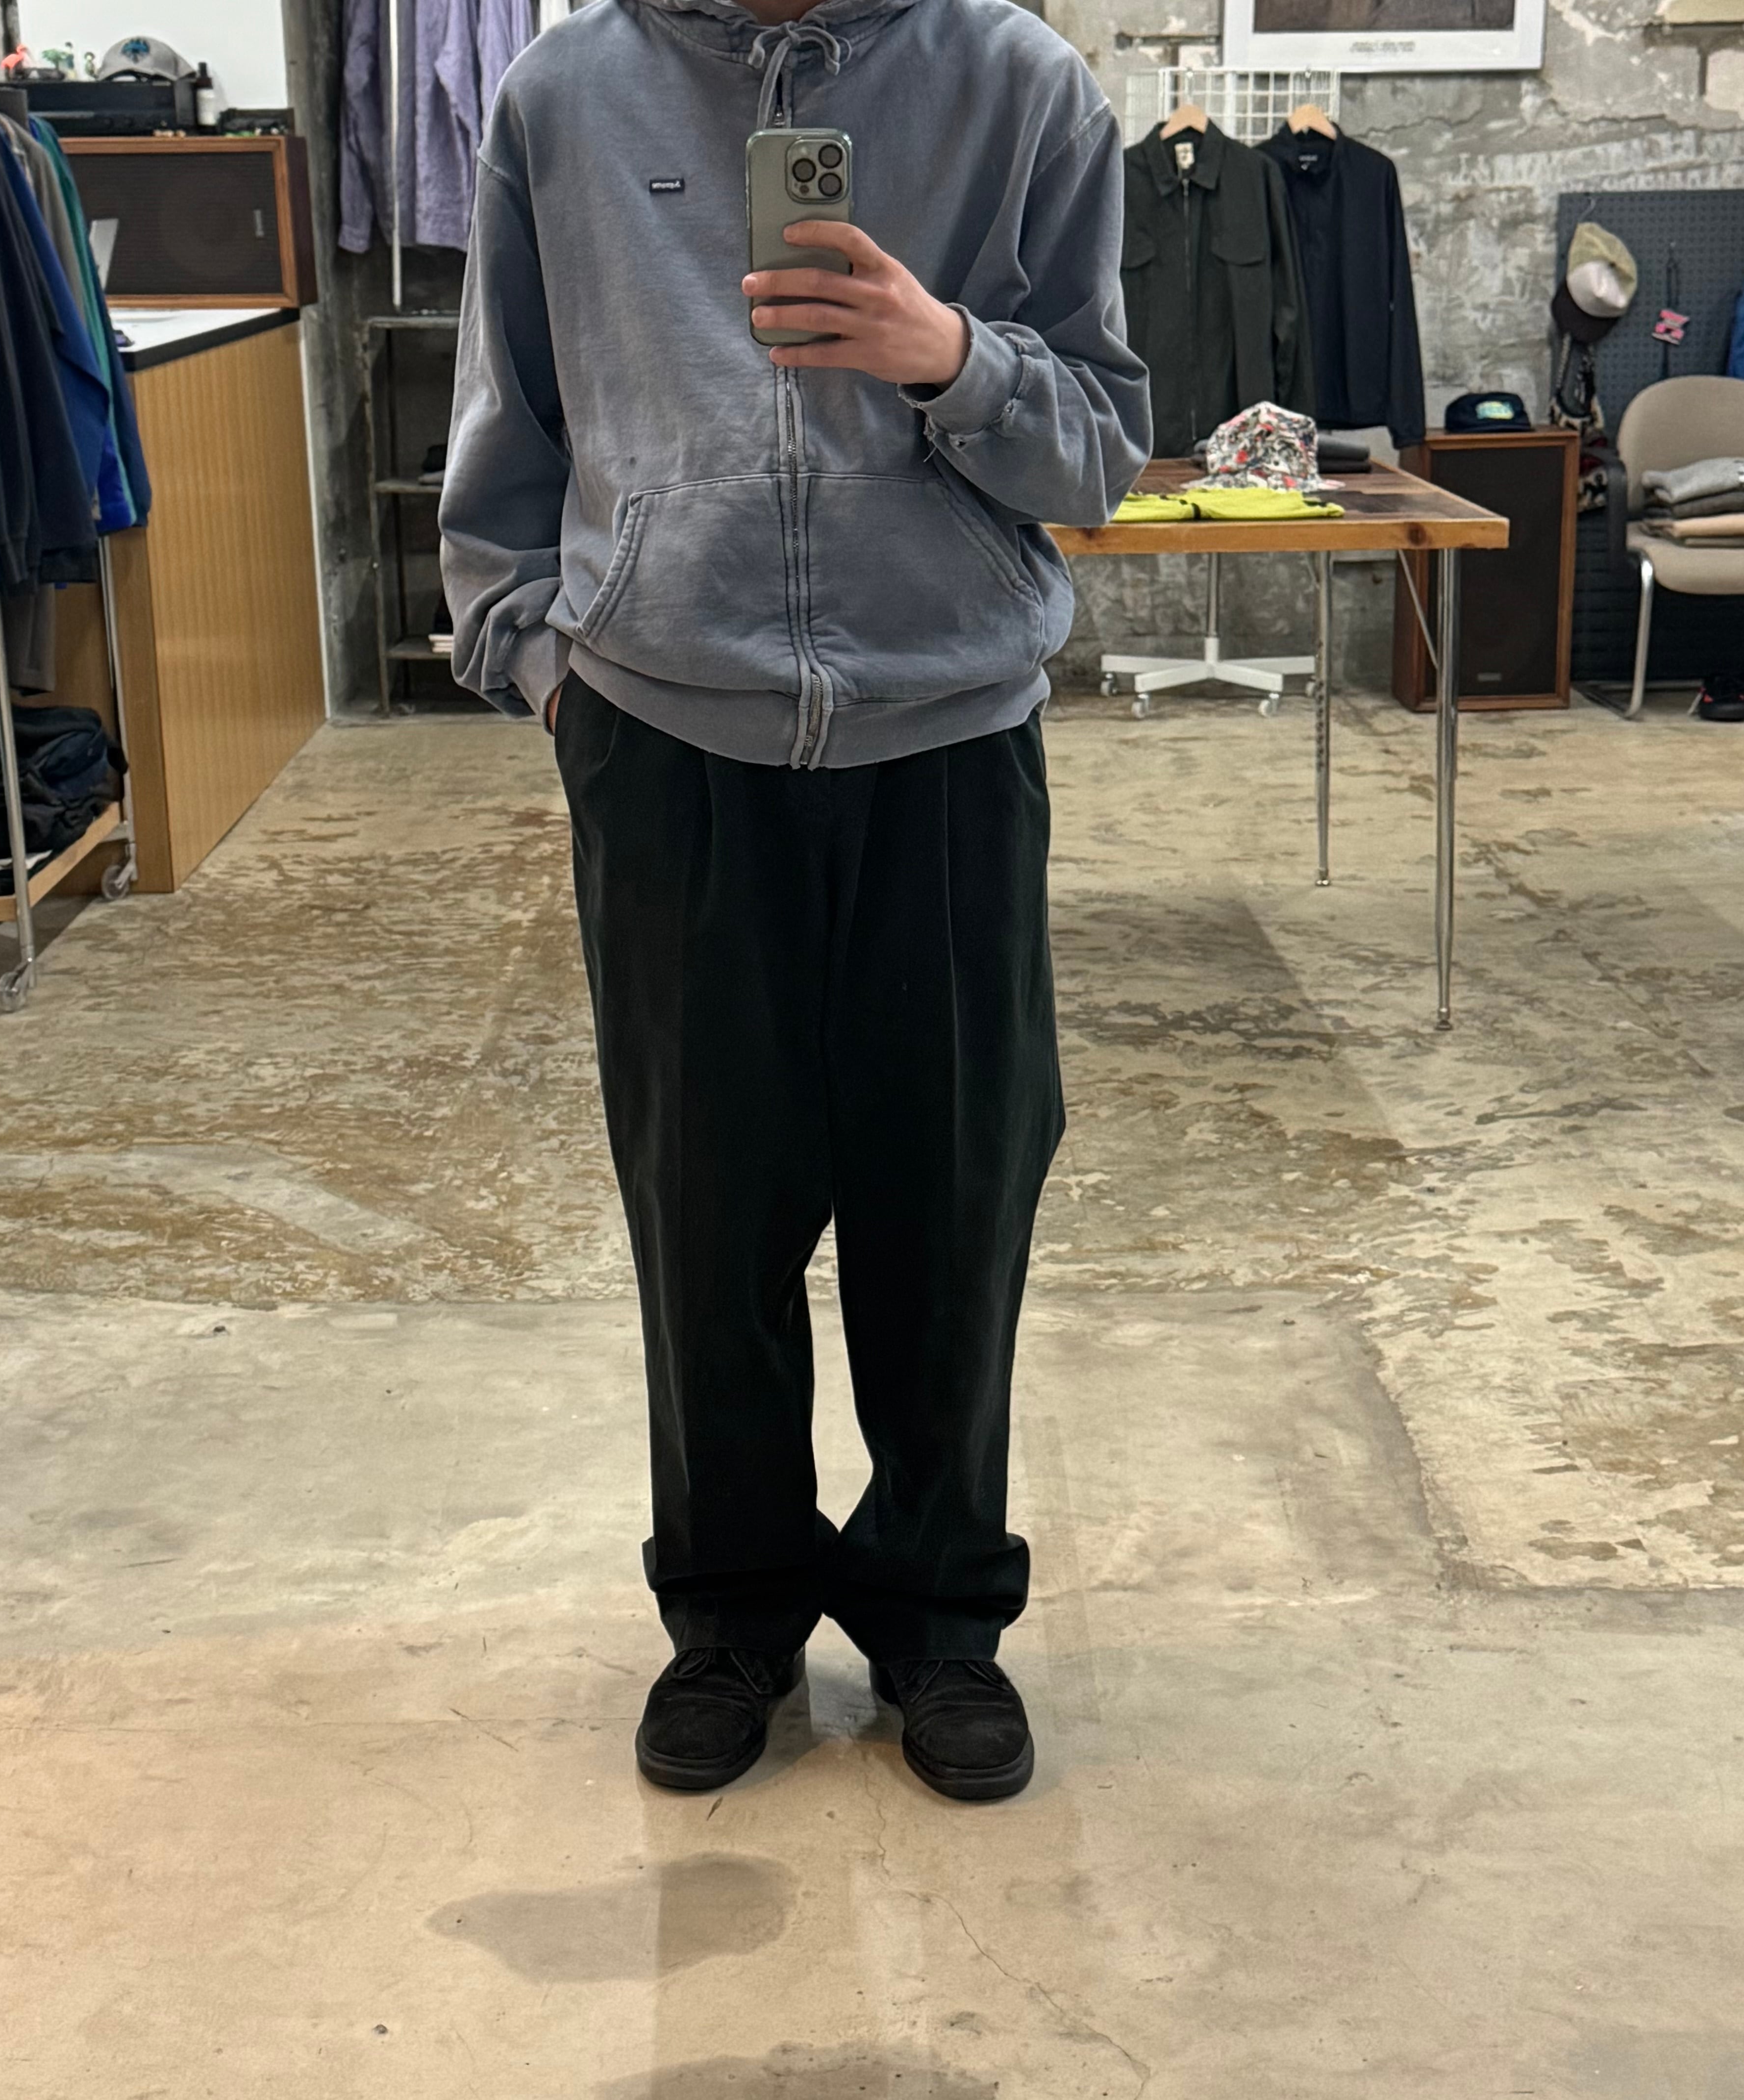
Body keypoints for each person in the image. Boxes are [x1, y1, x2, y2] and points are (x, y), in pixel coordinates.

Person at [441, 0, 1149, 1802]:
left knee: (955, 1199)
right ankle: (732, 1609)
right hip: (666, 738)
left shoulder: (1019, 86)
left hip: (946, 735)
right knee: (702, 1206)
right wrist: (540, 663)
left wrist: (948, 358)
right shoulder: (565, 98)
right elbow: (510, 431)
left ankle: (937, 1611)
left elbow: (1099, 450)